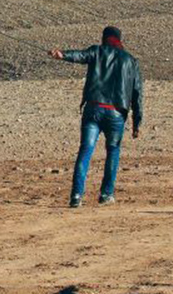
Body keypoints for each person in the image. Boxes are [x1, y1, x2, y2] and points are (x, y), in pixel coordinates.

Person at [49, 26, 143, 208]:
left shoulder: (97, 51)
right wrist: (137, 121)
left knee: (85, 150)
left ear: (105, 38)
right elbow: (137, 93)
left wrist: (62, 54)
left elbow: (80, 56)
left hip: (93, 108)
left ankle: (76, 196)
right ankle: (106, 194)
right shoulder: (130, 61)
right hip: (116, 112)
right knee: (113, 151)